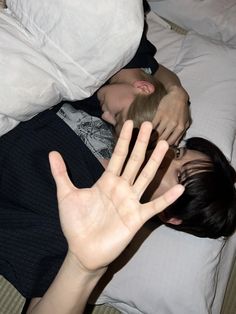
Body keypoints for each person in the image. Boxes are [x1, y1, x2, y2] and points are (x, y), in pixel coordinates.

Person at [25, 121, 185, 314]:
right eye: (179, 153)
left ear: (171, 215)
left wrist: (81, 267)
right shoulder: (111, 129)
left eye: (180, 175)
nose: (167, 153)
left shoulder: (82, 223)